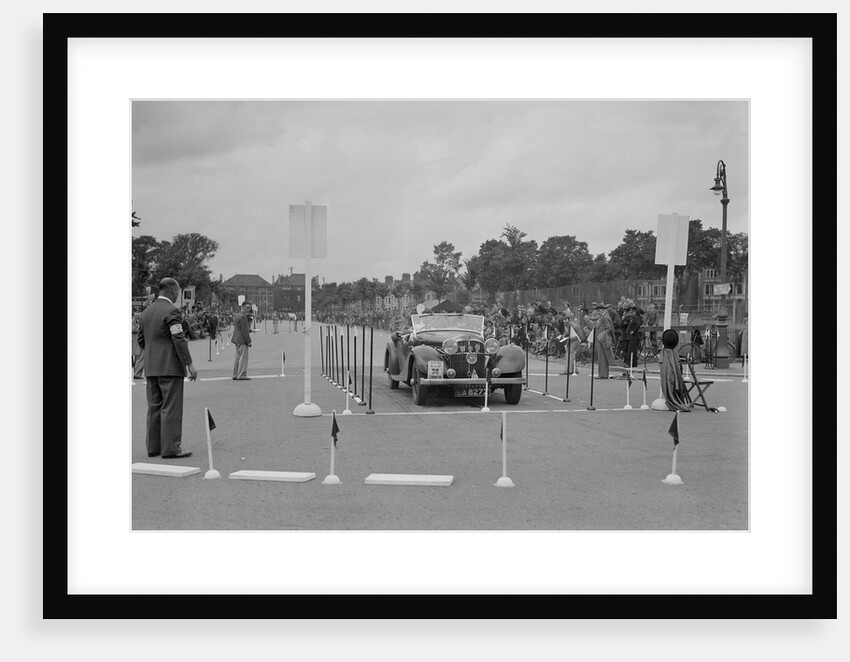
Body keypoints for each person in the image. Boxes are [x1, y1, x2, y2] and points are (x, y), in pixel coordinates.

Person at [137, 278, 198, 459]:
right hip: (170, 367)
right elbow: (178, 338)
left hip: (151, 367)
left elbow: (141, 341)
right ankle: (171, 448)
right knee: (171, 407)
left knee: (154, 407)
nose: (178, 294)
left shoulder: (145, 313)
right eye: (178, 290)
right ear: (172, 290)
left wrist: (154, 353)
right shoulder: (172, 311)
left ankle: (153, 447)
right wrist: (189, 363)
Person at [231, 301, 253, 380]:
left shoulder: (238, 315)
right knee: (243, 358)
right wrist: (249, 341)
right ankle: (241, 375)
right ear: (243, 307)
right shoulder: (243, 317)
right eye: (247, 307)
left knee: (237, 358)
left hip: (236, 339)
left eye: (250, 308)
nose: (249, 309)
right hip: (242, 340)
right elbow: (244, 331)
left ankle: (235, 374)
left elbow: (240, 327)